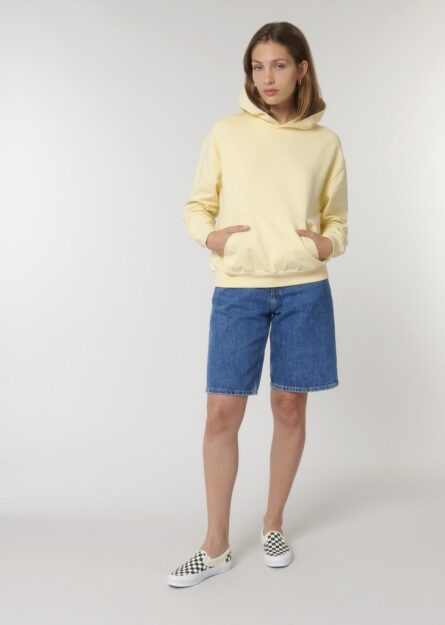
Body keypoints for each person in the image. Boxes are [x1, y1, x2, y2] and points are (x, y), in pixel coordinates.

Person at [168, 21, 348, 588]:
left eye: (278, 65)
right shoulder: (226, 132)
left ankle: (273, 524)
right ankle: (215, 545)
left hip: (304, 289)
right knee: (221, 413)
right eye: (257, 66)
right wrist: (213, 237)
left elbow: (337, 219)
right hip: (239, 289)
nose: (266, 77)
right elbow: (197, 205)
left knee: (290, 408)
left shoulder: (325, 142)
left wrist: (325, 244)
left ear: (302, 69)